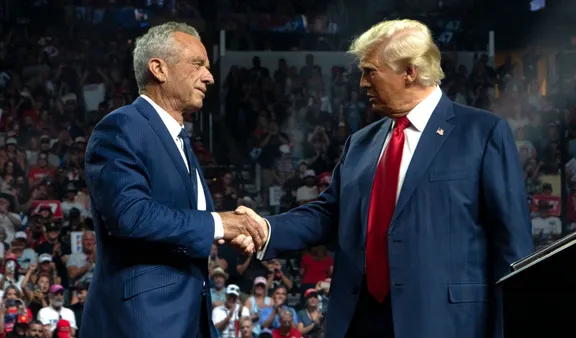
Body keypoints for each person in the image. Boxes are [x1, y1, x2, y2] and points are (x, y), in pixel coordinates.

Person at [237, 19, 533, 338]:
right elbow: (328, 214)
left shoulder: (482, 133)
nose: (362, 83)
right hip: (361, 321)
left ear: (410, 71)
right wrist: (265, 229)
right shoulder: (361, 143)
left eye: (370, 71)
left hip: (446, 323)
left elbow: (513, 248)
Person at [81, 22, 266, 338]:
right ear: (158, 68)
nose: (209, 76)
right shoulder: (122, 127)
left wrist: (224, 234)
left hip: (190, 322)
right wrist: (219, 224)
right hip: (140, 322)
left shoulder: (180, 141)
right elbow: (131, 216)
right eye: (198, 64)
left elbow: (183, 227)